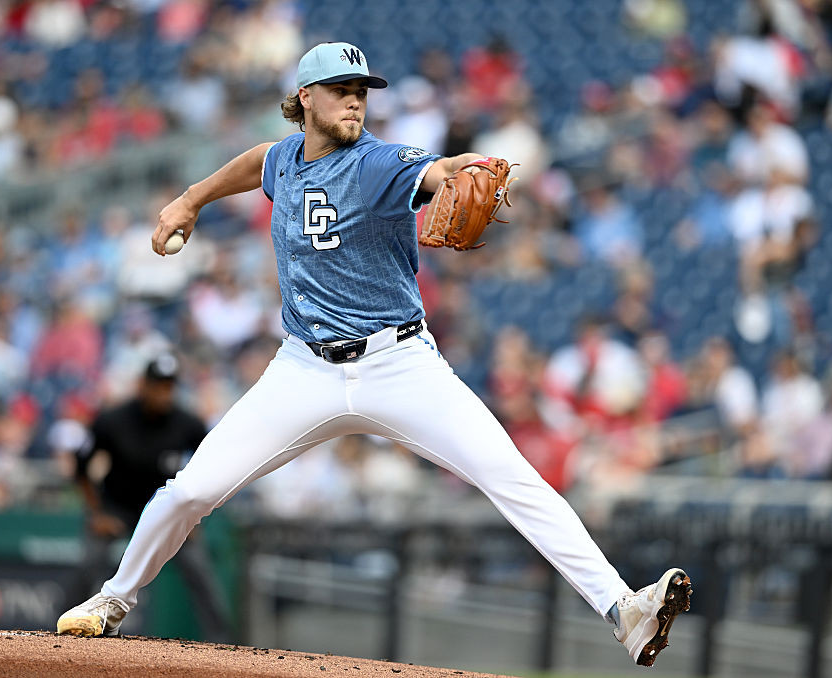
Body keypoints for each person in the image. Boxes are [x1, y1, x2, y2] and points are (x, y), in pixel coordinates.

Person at [57, 42, 691, 667]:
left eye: (362, 92)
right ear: (306, 98)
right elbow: (258, 163)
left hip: (399, 365)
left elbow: (436, 170)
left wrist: (462, 170)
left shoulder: (379, 164)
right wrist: (190, 200)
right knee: (189, 491)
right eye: (341, 90)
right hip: (304, 369)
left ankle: (623, 610)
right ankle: (112, 601)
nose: (355, 101)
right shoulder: (284, 159)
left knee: (515, 479)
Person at [68, 353, 229, 641]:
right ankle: (62, 632)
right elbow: (80, 468)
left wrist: (194, 519)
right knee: (88, 563)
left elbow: (212, 469)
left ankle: (222, 642)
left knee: (200, 569)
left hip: (166, 513)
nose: (163, 393)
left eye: (168, 386)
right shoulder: (112, 420)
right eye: (157, 385)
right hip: (118, 509)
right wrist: (97, 514)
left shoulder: (187, 423)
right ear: (142, 385)